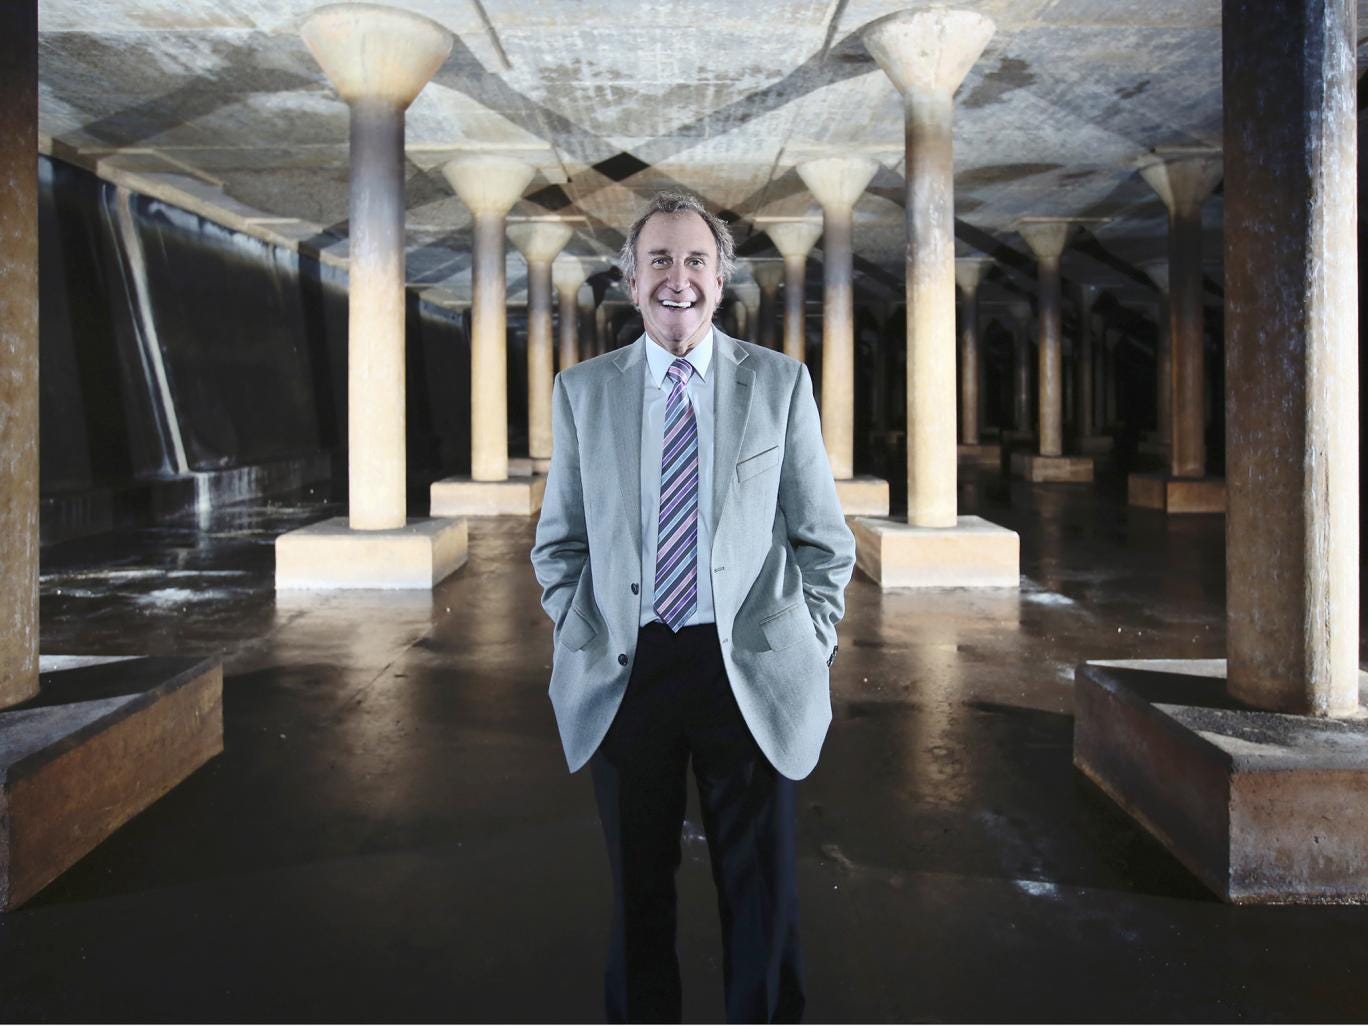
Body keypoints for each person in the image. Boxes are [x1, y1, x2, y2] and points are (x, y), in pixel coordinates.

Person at [530, 191, 855, 1023]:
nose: (680, 279)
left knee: (762, 899)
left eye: (697, 261)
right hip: (627, 671)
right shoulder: (583, 392)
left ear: (721, 277)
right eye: (661, 262)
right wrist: (578, 622)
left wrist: (805, 641)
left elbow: (823, 540)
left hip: (744, 672)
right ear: (631, 283)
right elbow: (559, 542)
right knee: (639, 896)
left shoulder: (779, 384)